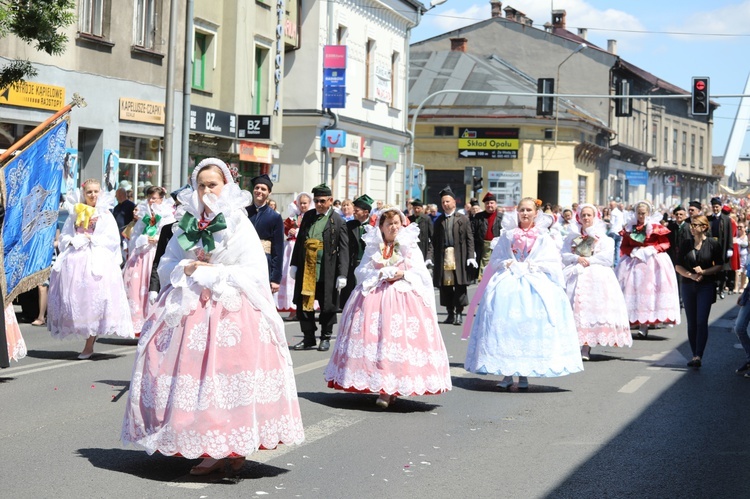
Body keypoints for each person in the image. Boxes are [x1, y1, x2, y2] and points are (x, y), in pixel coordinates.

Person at [121, 158, 304, 475]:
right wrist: (185, 268)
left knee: (221, 378)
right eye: (201, 185)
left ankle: (225, 445)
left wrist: (214, 271)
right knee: (187, 377)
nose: (206, 190)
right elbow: (168, 263)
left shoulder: (237, 222)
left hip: (229, 309)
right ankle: (204, 440)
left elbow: (253, 271)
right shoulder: (186, 223)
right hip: (189, 305)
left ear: (225, 187)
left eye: (212, 184)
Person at [324, 206, 452, 408]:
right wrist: (379, 274)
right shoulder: (374, 246)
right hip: (376, 295)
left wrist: (403, 274)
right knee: (376, 342)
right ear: (381, 227)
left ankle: (393, 387)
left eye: (396, 223)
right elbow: (362, 270)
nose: (393, 227)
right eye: (389, 224)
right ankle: (383, 388)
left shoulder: (410, 245)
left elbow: (421, 274)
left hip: (404, 298)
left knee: (399, 343)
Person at [463, 197, 583, 390]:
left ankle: (525, 373)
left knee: (528, 329)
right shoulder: (508, 235)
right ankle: (507, 373)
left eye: (529, 210)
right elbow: (496, 259)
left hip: (534, 282)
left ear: (536, 213)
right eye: (522, 210)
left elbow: (552, 260)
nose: (525, 214)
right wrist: (506, 263)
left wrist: (535, 265)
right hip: (509, 282)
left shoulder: (543, 236)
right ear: (517, 212)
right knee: (505, 328)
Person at [47, 179, 134, 358]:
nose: (93, 195)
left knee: (96, 301)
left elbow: (112, 240)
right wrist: (73, 240)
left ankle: (89, 344)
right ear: (84, 194)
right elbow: (65, 237)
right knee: (77, 302)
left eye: (96, 192)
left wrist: (91, 239)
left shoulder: (105, 214)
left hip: (97, 261)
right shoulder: (75, 212)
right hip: (75, 261)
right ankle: (83, 332)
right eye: (89, 192)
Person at [561, 204, 631, 361]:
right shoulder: (572, 236)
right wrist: (576, 258)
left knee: (590, 308)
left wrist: (588, 260)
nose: (586, 218)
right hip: (574, 273)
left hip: (595, 275)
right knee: (573, 308)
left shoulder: (604, 238)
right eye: (583, 215)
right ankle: (572, 345)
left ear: (594, 217)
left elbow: (606, 258)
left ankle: (586, 346)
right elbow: (564, 254)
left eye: (589, 215)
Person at [289, 184, 349, 352]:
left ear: (330, 200)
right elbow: (300, 241)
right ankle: (308, 337)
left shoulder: (338, 221)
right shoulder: (308, 216)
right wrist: (294, 264)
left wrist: (342, 273)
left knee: (327, 305)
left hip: (326, 270)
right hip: (307, 268)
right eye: (316, 201)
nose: (319, 204)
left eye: (322, 201)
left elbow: (344, 249)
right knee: (303, 304)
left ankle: (325, 337)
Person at [616, 201, 681, 337]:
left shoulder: (655, 227)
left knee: (651, 293)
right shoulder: (630, 227)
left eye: (643, 213)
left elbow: (665, 243)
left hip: (652, 263)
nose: (641, 216)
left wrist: (653, 249)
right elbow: (624, 246)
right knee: (634, 292)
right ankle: (636, 322)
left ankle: (647, 324)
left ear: (648, 213)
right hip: (633, 263)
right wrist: (633, 251)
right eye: (638, 213)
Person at [122, 185, 175, 336]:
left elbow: (168, 237)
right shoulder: (144, 215)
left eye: (155, 198)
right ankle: (140, 324)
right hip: (143, 255)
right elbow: (134, 236)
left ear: (161, 199)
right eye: (150, 198)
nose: (152, 201)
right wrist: (143, 239)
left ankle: (154, 323)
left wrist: (157, 239)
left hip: (156, 254)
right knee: (138, 289)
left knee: (153, 288)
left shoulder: (167, 216)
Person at [674, 215, 723, 368]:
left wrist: (704, 272)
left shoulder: (713, 244)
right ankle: (694, 354)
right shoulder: (686, 244)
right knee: (692, 322)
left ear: (704, 227)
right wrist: (692, 275)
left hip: (706, 286)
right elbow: (678, 266)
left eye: (695, 225)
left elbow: (720, 265)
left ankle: (698, 355)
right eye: (691, 225)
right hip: (688, 285)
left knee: (701, 321)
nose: (692, 227)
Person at [431, 186, 477, 326]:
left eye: (448, 201)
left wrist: (470, 256)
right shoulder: (439, 221)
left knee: (459, 285)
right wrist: (430, 257)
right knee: (445, 286)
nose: (445, 204)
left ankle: (458, 313)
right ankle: (450, 313)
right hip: (443, 256)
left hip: (459, 256)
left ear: (454, 203)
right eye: (443, 202)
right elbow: (434, 241)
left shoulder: (462, 219)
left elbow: (470, 239)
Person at [247, 174, 285, 293]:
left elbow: (278, 250)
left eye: (263, 189)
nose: (259, 191)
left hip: (264, 263)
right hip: (245, 261)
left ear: (269, 193)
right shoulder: (244, 212)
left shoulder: (275, 217)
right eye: (257, 188)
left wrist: (275, 278)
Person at [277, 192, 312, 321]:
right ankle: (292, 309)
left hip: (305, 249)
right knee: (291, 278)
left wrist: (298, 231)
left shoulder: (313, 217)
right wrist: (289, 231)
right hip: (291, 248)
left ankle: (307, 308)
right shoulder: (293, 217)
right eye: (301, 203)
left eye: (305, 203)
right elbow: (285, 229)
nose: (303, 205)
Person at [340, 194, 373, 307]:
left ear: (366, 212)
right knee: (350, 298)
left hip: (368, 266)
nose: (354, 213)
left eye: (357, 211)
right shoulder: (349, 225)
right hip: (352, 265)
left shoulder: (373, 227)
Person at [473, 192, 503, 279]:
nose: (489, 205)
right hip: (483, 245)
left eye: (491, 203)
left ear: (496, 204)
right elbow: (473, 231)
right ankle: (483, 281)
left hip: (498, 246)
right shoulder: (478, 217)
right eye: (487, 203)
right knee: (484, 265)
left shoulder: (501, 217)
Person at [707, 197, 733, 299]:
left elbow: (729, 234)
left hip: (722, 247)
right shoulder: (708, 219)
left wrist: (730, 248)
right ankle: (713, 289)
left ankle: (721, 288)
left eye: (717, 207)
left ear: (720, 207)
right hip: (711, 247)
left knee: (722, 270)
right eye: (713, 207)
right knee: (711, 269)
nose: (715, 209)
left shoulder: (726, 219)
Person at [407, 198, 433, 264]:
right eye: (415, 208)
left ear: (421, 208)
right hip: (412, 248)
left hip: (423, 247)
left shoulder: (426, 219)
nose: (416, 210)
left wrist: (429, 254)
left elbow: (432, 235)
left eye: (418, 208)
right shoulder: (409, 219)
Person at [609, 200, 624, 266]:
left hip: (613, 231)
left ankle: (610, 262)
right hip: (619, 231)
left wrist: (608, 225)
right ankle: (616, 263)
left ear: (614, 205)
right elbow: (622, 222)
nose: (610, 206)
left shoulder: (613, 212)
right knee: (617, 248)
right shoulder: (620, 212)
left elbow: (612, 222)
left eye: (611, 205)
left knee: (611, 248)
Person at [735, 222, 748, 293]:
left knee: (744, 272)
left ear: (744, 228)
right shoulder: (736, 236)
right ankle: (736, 287)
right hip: (737, 256)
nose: (739, 228)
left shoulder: (747, 236)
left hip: (745, 256)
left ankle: (742, 287)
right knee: (737, 271)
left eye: (741, 227)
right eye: (738, 227)